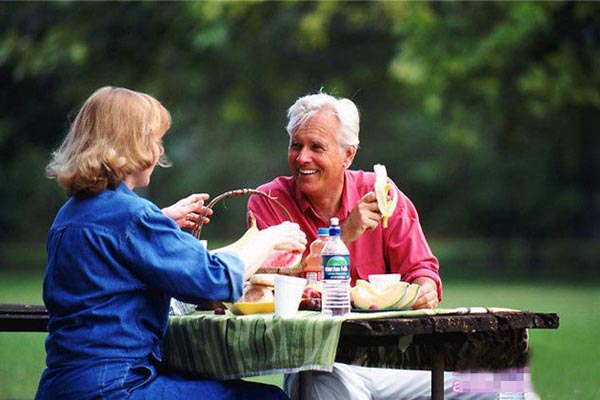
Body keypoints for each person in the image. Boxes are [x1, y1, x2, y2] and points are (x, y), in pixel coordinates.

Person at [248, 92, 539, 399]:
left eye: (316, 147)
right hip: (319, 366)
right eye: (296, 145)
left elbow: (422, 271)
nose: (302, 157)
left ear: (347, 155)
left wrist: (425, 288)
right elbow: (271, 284)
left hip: (394, 368)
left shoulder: (383, 197)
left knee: (509, 391)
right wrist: (345, 233)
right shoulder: (270, 202)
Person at [35, 86, 307, 400]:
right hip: (114, 389)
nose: (160, 151)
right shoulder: (131, 216)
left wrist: (159, 223)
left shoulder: (70, 215)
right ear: (132, 145)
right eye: (155, 140)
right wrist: (269, 236)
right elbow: (213, 279)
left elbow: (116, 260)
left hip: (61, 386)